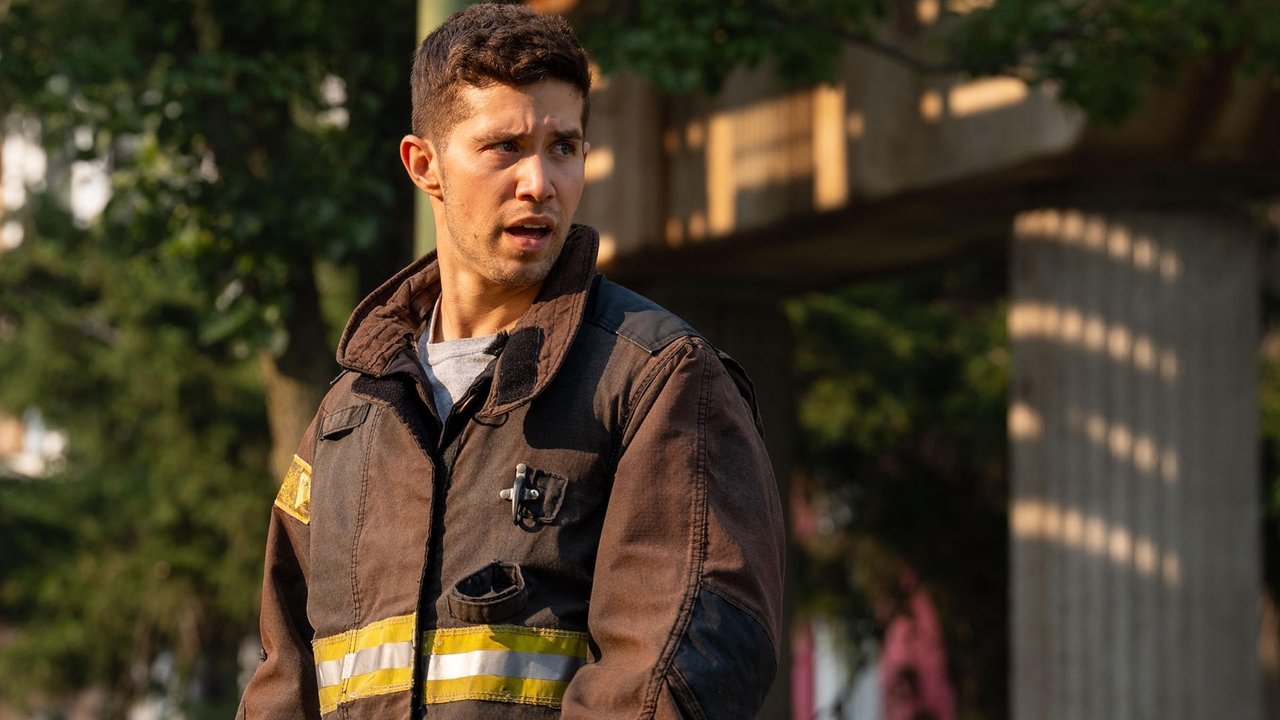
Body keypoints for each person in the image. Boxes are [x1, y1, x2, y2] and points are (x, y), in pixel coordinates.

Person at [237, 4, 785, 718]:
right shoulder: (347, 420)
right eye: (505, 147)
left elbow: (672, 681)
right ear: (424, 165)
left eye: (563, 147)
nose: (540, 182)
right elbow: (282, 684)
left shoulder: (661, 380)